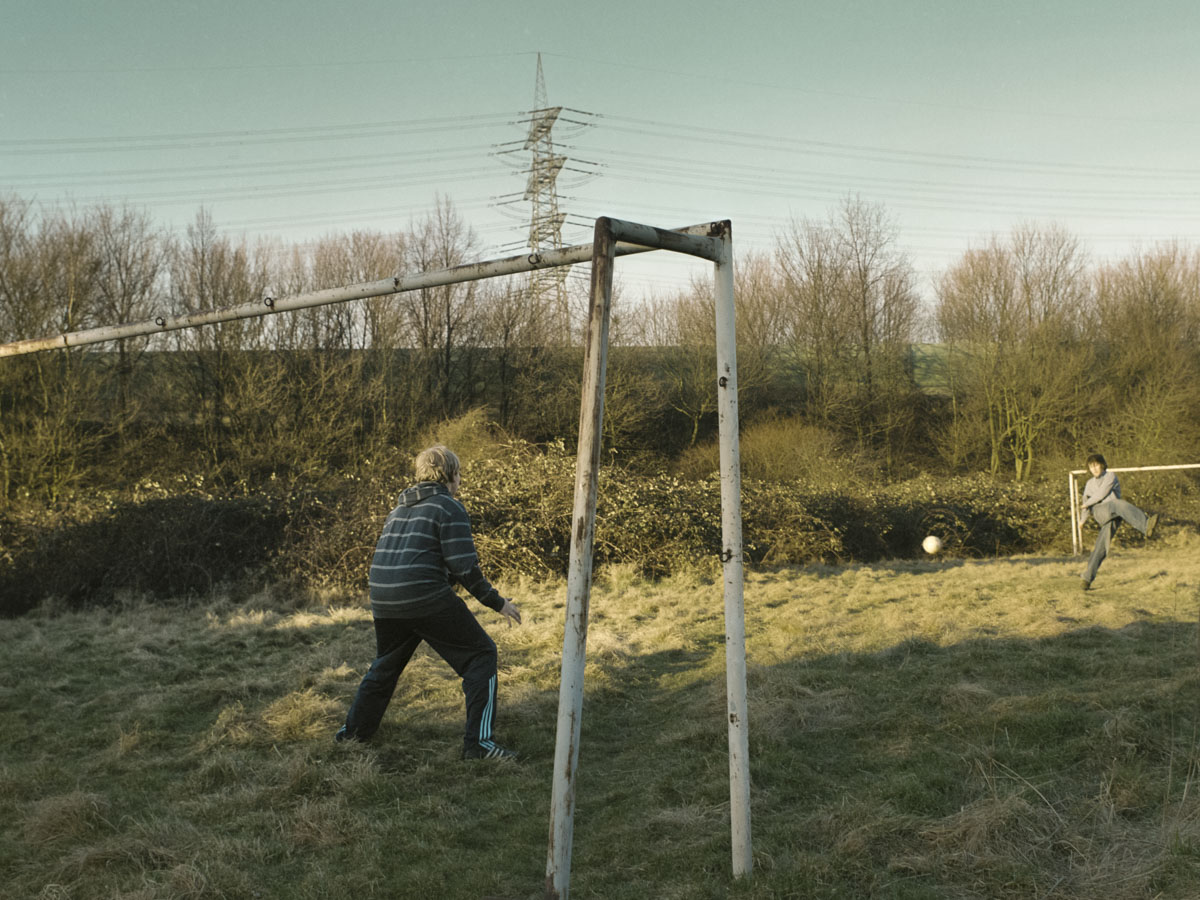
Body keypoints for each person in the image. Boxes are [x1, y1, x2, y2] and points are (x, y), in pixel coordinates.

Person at [336, 445, 522, 759]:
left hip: (384, 597)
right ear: (450, 475)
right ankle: (479, 745)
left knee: (385, 667)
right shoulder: (448, 507)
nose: (460, 480)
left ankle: (353, 735)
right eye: (459, 474)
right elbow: (465, 567)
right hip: (422, 596)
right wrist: (498, 602)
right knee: (481, 654)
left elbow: (423, 558)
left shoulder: (399, 510)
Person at [1078, 453, 1159, 591]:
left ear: (1102, 465)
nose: (1095, 469)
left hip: (1115, 514)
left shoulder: (1110, 476)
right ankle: (1145, 526)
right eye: (1091, 467)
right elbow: (1087, 502)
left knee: (1101, 547)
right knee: (1118, 504)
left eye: (1097, 465)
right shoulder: (1089, 484)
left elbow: (1102, 493)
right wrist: (1082, 520)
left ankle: (1086, 578)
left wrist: (1086, 504)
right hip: (1100, 512)